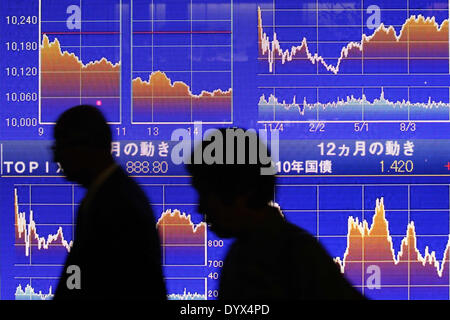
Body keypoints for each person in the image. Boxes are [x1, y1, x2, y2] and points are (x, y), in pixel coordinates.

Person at [187, 128, 364, 300]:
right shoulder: (296, 252)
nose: (200, 208)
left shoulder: (264, 262)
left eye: (205, 193)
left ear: (241, 191)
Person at [52, 105, 166, 300]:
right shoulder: (110, 196)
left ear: (87, 147)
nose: (56, 158)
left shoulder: (117, 205)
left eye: (61, 147)